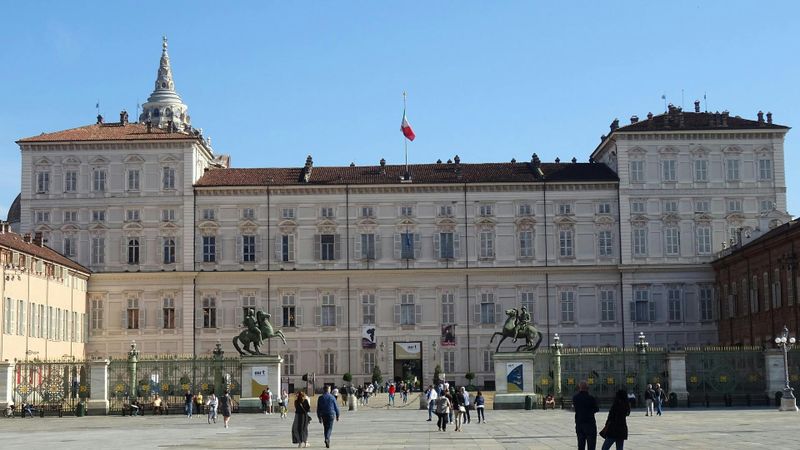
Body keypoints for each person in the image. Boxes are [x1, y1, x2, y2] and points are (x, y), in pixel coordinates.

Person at [573, 380, 600, 450]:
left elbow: (575, 408)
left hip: (579, 423)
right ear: (587, 388)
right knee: (591, 445)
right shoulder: (591, 398)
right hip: (590, 424)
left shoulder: (575, 398)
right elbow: (596, 409)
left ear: (579, 388)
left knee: (581, 445)